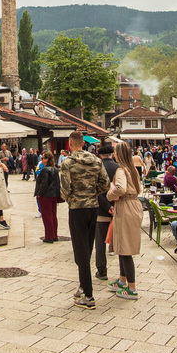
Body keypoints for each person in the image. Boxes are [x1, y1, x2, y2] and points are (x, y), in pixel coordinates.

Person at [60, 131, 110, 310]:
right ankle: (82, 287)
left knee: (80, 252)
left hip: (77, 208)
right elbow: (105, 184)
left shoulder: (68, 163)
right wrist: (93, 194)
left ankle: (88, 296)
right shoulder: (96, 161)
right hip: (93, 207)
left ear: (70, 143)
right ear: (83, 143)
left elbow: (64, 189)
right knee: (87, 248)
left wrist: (73, 197)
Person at [106, 142, 143, 300]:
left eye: (115, 151)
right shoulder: (133, 169)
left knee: (125, 247)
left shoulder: (121, 170)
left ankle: (131, 287)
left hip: (125, 206)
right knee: (122, 245)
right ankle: (122, 280)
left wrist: (109, 195)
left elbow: (120, 189)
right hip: (134, 205)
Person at [95, 144, 118, 281]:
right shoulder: (119, 168)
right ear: (112, 154)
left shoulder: (97, 168)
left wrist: (106, 206)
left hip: (101, 210)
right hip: (117, 210)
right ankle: (123, 274)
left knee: (100, 242)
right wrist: (113, 206)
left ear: (100, 156)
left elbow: (96, 191)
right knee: (120, 243)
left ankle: (102, 270)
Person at [34, 151, 61, 242]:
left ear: (47, 159)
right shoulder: (55, 169)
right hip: (54, 195)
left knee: (47, 216)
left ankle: (49, 236)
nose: (41, 159)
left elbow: (44, 184)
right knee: (53, 215)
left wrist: (39, 194)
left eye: (43, 158)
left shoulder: (45, 170)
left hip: (46, 196)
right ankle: (54, 235)